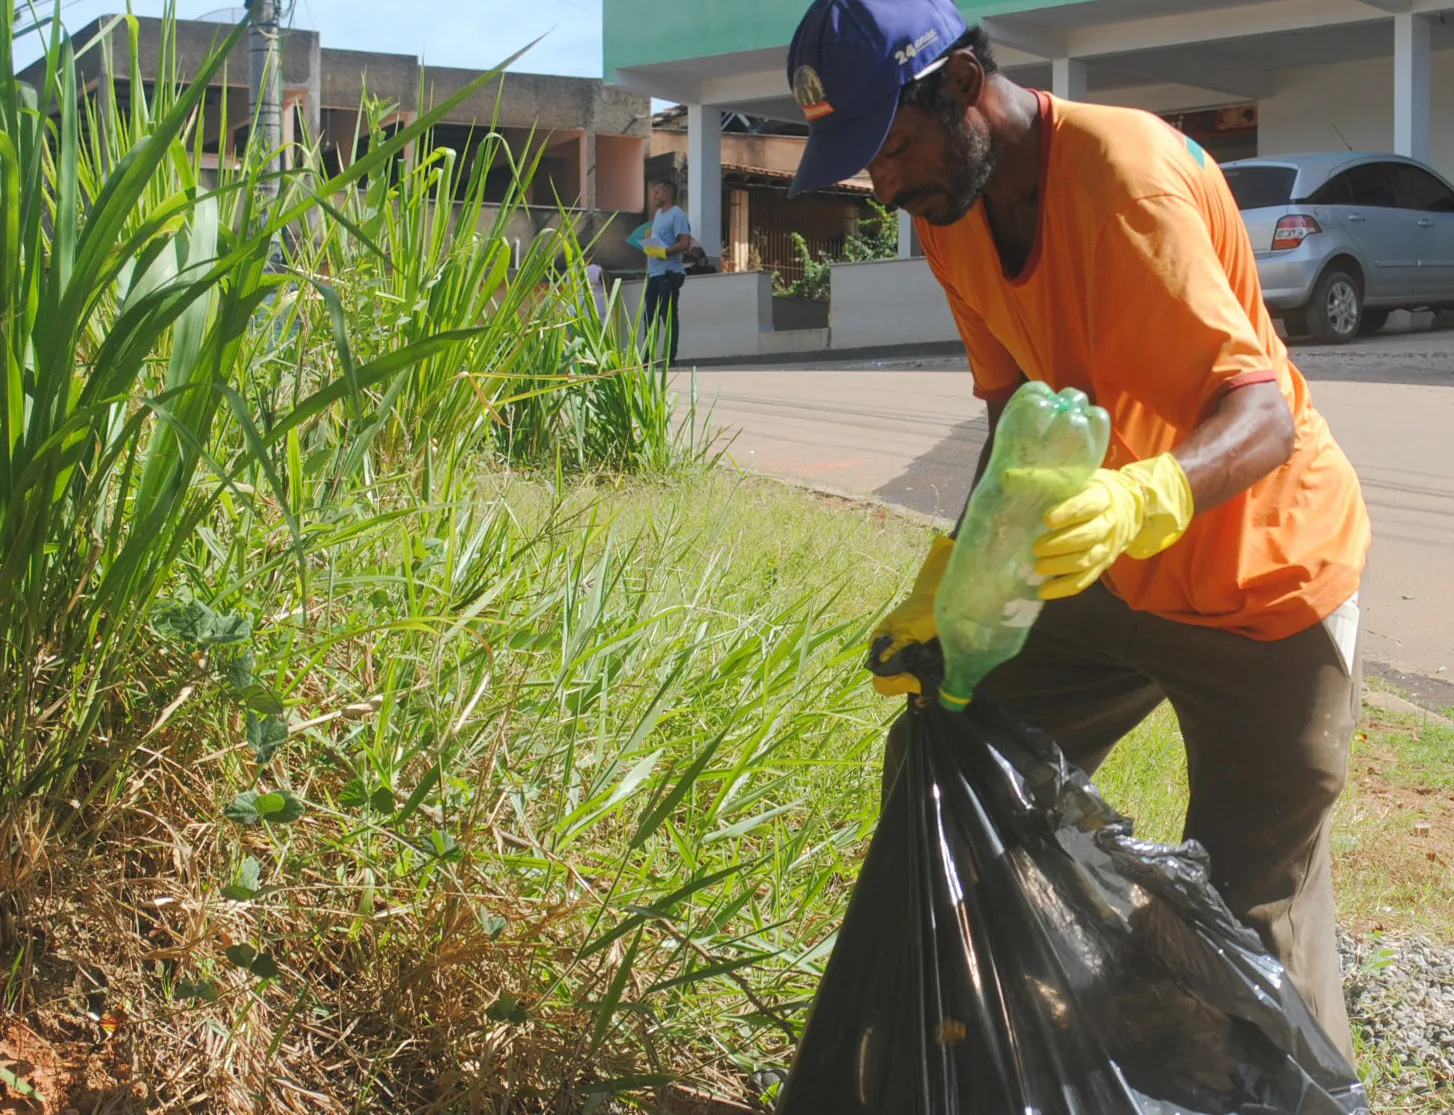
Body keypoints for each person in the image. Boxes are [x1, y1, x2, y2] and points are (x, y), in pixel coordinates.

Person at [787, 0, 1371, 1058]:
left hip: (1264, 584)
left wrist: (1137, 499)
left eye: (888, 146)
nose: (881, 185)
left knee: (1239, 932)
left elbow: (1263, 412)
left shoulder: (1124, 181)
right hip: (1104, 572)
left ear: (962, 86)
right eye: (860, 162)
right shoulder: (946, 211)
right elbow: (1012, 416)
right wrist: (952, 573)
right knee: (960, 752)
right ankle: (972, 1036)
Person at [642, 180, 693, 365]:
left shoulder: (677, 214)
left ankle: (669, 357)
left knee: (668, 314)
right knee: (649, 316)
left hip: (669, 273)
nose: (654, 196)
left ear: (666, 194)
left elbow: (685, 243)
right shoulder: (657, 214)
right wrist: (651, 245)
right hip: (654, 273)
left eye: (657, 192)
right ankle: (648, 357)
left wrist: (664, 251)